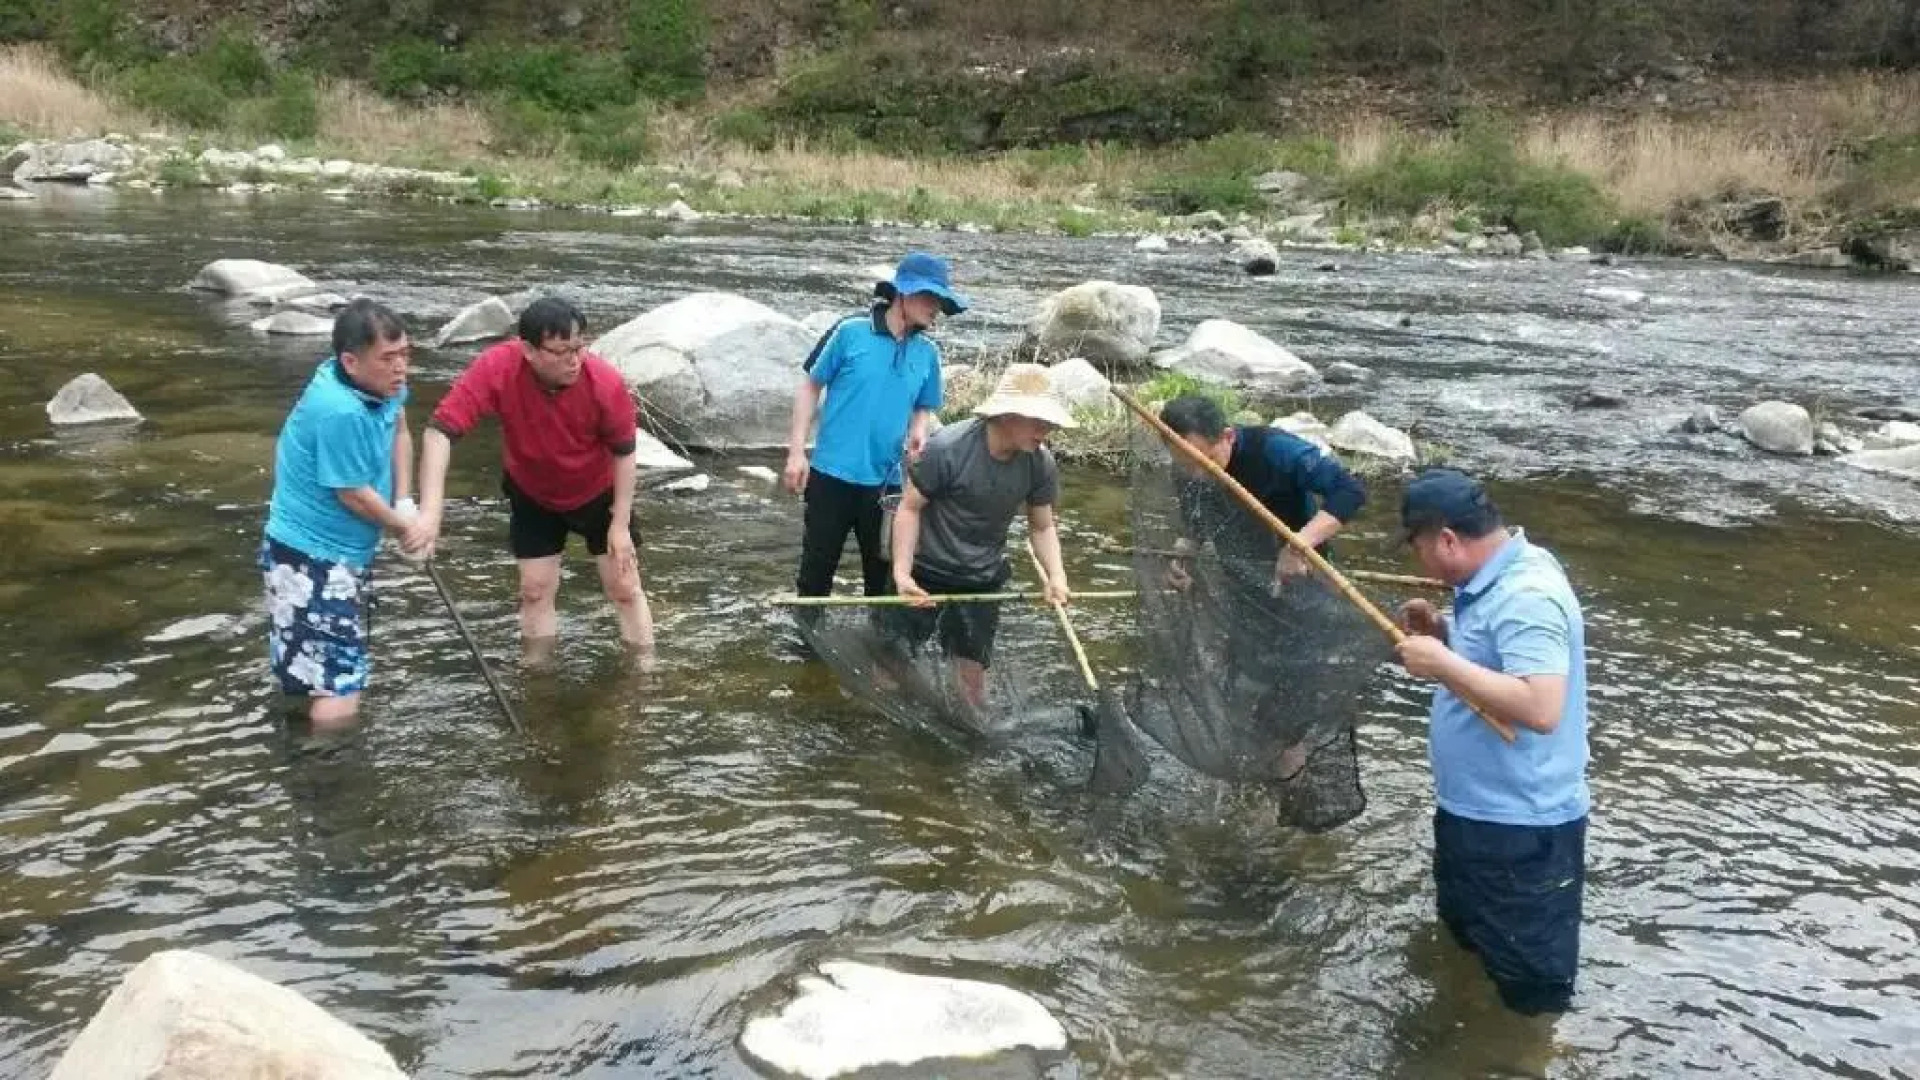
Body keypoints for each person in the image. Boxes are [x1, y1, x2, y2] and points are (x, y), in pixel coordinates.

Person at [1393, 468, 1591, 1016]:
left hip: (1521, 831)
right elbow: (1499, 654)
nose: (1421, 563)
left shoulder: (1529, 592)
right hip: (1472, 815)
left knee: (1530, 991)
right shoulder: (1494, 580)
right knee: (1469, 948)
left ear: (1448, 540)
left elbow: (1542, 707)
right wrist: (1445, 634)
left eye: (1419, 548)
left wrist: (1443, 662)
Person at [404, 297, 654, 669]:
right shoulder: (498, 367)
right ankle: (538, 675)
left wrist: (619, 525)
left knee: (623, 587)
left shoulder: (604, 382)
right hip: (533, 492)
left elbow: (624, 452)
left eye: (579, 347)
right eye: (562, 351)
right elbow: (440, 432)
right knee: (534, 591)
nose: (574, 359)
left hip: (599, 493)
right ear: (528, 350)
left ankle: (643, 672)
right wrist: (430, 514)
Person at [259, 298, 415, 731]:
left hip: (346, 552)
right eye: (389, 358)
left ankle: (298, 748)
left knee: (318, 669)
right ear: (350, 360)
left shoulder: (382, 386)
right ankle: (327, 773)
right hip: (310, 557)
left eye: (405, 354)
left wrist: (406, 502)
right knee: (341, 682)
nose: (401, 368)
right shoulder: (337, 409)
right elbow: (353, 495)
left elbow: (400, 431)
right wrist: (405, 530)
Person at [889, 363, 1074, 708]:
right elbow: (909, 508)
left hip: (981, 577)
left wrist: (1057, 577)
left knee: (972, 682)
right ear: (1006, 416)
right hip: (926, 570)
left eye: (1049, 422)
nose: (1045, 430)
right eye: (1038, 421)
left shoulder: (1040, 463)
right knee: (892, 664)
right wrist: (901, 573)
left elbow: (1042, 525)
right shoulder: (948, 448)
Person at [783, 252, 958, 609]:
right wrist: (797, 452)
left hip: (887, 487)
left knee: (883, 587)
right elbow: (810, 386)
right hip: (830, 476)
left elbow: (923, 405)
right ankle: (808, 656)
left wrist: (919, 429)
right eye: (929, 298)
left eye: (939, 301)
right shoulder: (850, 332)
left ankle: (881, 656)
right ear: (902, 294)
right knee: (815, 581)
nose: (935, 308)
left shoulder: (927, 354)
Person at [1158, 393, 1367, 591]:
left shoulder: (1274, 449)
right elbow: (1196, 524)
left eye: (1207, 461)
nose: (1196, 476)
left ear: (1228, 436)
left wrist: (1297, 546)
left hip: (1302, 570)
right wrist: (1182, 559)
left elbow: (1349, 490)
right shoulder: (1185, 471)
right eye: (1185, 465)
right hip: (1241, 577)